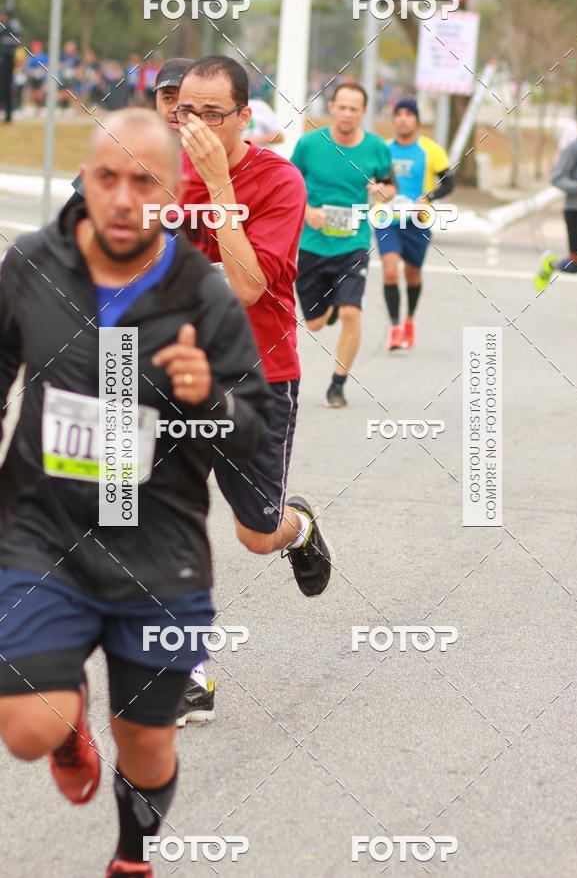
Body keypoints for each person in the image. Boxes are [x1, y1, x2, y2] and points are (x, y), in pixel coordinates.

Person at [0, 108, 270, 878]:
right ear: (84, 180)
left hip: (158, 548)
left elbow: (251, 429)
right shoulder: (31, 264)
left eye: (145, 182)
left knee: (146, 743)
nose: (123, 199)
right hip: (42, 529)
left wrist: (206, 395)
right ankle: (65, 730)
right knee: (26, 726)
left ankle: (131, 856)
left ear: (175, 193)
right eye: (107, 177)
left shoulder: (203, 293)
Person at [174, 55, 333, 724]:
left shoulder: (279, 180)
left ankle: (298, 528)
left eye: (212, 114)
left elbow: (245, 285)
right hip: (167, 375)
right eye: (185, 111)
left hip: (257, 378)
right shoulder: (155, 170)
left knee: (256, 534)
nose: (196, 125)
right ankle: (188, 669)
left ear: (244, 116)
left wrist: (216, 183)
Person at [290, 82, 396, 407]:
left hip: (354, 242)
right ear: (332, 108)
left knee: (352, 313)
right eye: (342, 107)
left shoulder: (376, 147)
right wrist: (306, 211)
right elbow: (288, 186)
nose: (347, 114)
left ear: (363, 112)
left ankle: (337, 384)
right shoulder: (309, 144)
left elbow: (390, 185)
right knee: (315, 323)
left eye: (354, 109)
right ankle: (331, 305)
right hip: (312, 243)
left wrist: (383, 192)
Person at [374, 98, 453, 351]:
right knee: (390, 270)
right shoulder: (384, 149)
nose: (403, 119)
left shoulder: (431, 150)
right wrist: (377, 188)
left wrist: (428, 197)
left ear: (417, 120)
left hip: (418, 220)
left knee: (413, 275)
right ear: (393, 119)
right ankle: (395, 328)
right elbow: (376, 179)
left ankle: (409, 320)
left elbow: (449, 183)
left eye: (409, 114)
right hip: (386, 219)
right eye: (399, 114)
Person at [68, 57, 193, 205]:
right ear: (156, 101)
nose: (176, 109)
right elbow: (74, 212)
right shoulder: (124, 148)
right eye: (168, 98)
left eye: (185, 100)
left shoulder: (214, 161)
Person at [534, 104, 577, 293]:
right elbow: (557, 179)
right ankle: (549, 264)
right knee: (575, 265)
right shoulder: (574, 149)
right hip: (576, 211)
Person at [0, 6, 21, 123]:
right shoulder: (14, 25)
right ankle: (7, 114)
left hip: (5, 59)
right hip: (9, 59)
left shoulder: (8, 26)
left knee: (5, 86)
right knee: (6, 86)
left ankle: (7, 113)